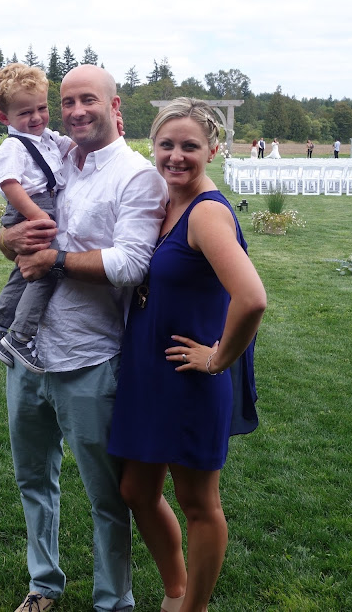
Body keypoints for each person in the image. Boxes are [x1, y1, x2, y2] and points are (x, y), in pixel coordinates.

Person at [0, 64, 168, 612]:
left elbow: (132, 264)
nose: (74, 112)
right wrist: (8, 239)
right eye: (66, 101)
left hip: (89, 358)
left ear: (115, 106)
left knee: (106, 495)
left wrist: (55, 260)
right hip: (29, 356)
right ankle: (43, 584)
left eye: (87, 100)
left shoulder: (137, 176)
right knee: (33, 480)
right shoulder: (55, 158)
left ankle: (113, 601)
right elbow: (14, 233)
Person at [108, 98, 267, 612]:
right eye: (167, 145)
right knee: (136, 491)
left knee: (199, 503)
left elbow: (252, 298)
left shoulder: (207, 214)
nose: (176, 156)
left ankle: (192, 607)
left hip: (188, 377)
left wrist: (218, 359)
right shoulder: (167, 201)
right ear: (152, 147)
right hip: (148, 373)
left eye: (190, 146)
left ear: (213, 151)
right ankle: (175, 592)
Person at [0, 63, 75, 374]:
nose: (36, 117)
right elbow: (9, 184)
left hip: (40, 205)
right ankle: (20, 335)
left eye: (41, 108)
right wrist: (36, 215)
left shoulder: (45, 137)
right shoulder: (13, 146)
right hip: (29, 207)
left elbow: (73, 145)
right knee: (47, 269)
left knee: (24, 273)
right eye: (25, 112)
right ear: (4, 118)